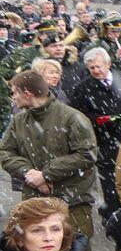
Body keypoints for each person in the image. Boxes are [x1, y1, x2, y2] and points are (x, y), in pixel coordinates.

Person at [0, 70, 98, 239]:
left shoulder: (72, 118)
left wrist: (47, 174)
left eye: (14, 92)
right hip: (34, 203)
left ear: (27, 94)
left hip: (72, 204)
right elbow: (5, 152)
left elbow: (87, 155)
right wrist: (28, 173)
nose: (13, 97)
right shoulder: (19, 120)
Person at [68, 46, 121, 216]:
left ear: (108, 64)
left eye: (99, 66)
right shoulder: (83, 88)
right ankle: (113, 215)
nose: (96, 70)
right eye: (92, 68)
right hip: (104, 141)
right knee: (110, 182)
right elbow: (78, 116)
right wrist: (97, 120)